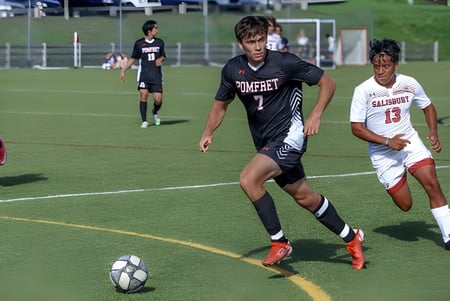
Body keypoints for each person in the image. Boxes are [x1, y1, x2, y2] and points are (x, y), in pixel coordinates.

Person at [199, 16, 365, 270]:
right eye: (251, 41)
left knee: (248, 179)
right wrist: (208, 131)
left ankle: (280, 243)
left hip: (290, 137)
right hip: (266, 143)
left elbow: (327, 83)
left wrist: (316, 113)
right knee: (306, 198)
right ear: (240, 43)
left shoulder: (285, 63)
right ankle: (352, 239)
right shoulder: (233, 69)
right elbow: (221, 104)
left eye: (261, 40)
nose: (258, 46)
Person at [350, 38, 450, 250]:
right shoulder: (363, 90)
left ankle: (448, 235)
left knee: (432, 183)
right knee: (405, 205)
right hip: (382, 152)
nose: (380, 71)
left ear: (396, 64)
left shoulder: (409, 83)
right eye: (376, 66)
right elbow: (357, 128)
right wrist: (388, 142)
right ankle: (403, 174)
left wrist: (433, 132)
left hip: (409, 143)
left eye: (386, 66)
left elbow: (428, 106)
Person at [120, 20, 166, 128]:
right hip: (144, 75)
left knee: (158, 100)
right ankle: (144, 120)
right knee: (143, 95)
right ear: (149, 31)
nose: (157, 30)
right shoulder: (139, 44)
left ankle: (154, 111)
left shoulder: (160, 42)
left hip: (156, 76)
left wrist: (161, 59)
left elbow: (163, 55)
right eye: (155, 28)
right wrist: (123, 70)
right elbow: (132, 59)